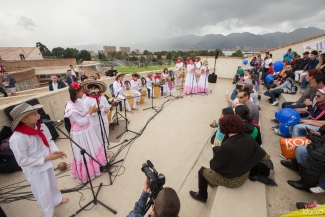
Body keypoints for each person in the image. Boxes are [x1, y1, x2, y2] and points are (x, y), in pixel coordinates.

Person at [189, 115, 267, 203]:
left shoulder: (227, 145)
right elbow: (264, 156)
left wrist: (217, 149)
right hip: (245, 174)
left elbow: (216, 166)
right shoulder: (248, 138)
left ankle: (202, 196)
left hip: (234, 181)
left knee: (202, 171)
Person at [9, 103, 69, 216]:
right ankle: (48, 213)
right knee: (43, 192)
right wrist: (46, 158)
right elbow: (22, 161)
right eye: (34, 114)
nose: (39, 116)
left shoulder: (41, 127)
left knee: (52, 184)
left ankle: (56, 200)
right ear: (24, 119)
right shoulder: (17, 138)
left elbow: (49, 140)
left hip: (47, 163)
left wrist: (56, 152)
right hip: (35, 170)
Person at [64, 82, 107, 183]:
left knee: (93, 149)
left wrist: (93, 110)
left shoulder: (79, 101)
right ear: (76, 93)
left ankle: (97, 166)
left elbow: (85, 113)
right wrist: (90, 112)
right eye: (81, 92)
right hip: (81, 134)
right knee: (86, 152)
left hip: (88, 130)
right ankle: (88, 173)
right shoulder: (71, 108)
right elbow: (81, 122)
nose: (83, 93)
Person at [82, 81, 111, 148]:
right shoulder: (87, 100)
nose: (93, 90)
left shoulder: (102, 98)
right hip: (94, 122)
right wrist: (95, 110)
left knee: (105, 135)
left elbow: (107, 106)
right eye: (91, 88)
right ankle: (99, 152)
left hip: (104, 120)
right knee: (97, 137)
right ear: (89, 90)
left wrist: (106, 110)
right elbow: (86, 112)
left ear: (98, 89)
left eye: (95, 88)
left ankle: (105, 149)